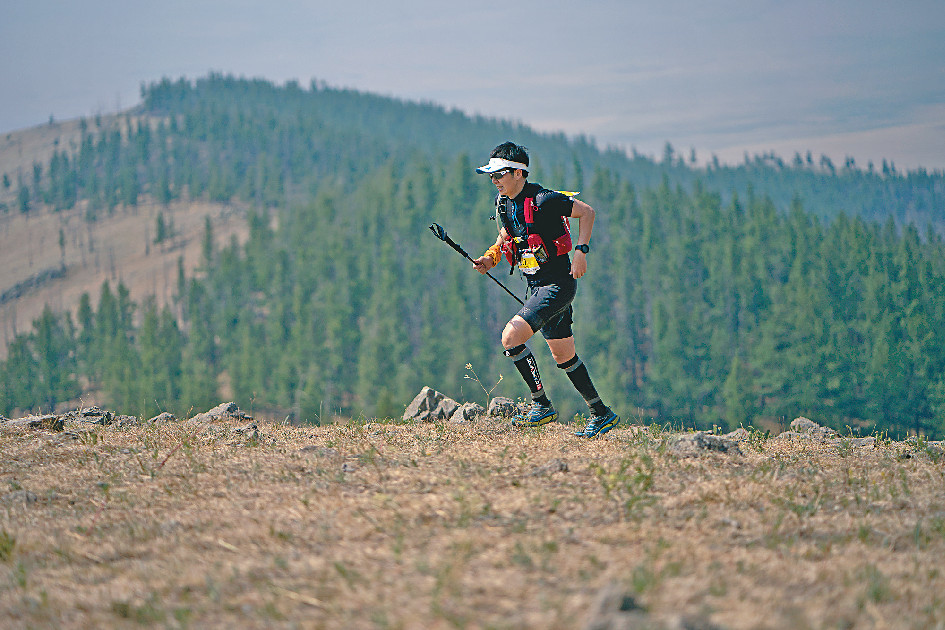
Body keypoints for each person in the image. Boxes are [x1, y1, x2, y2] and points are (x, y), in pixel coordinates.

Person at [472, 142, 620, 437]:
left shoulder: (544, 199)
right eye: (491, 176)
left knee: (510, 337)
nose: (494, 181)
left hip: (558, 285)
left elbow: (587, 212)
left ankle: (541, 406)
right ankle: (601, 413)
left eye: (499, 174)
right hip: (537, 286)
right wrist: (492, 256)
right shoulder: (505, 203)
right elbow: (506, 234)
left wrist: (581, 251)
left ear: (518, 173)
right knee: (565, 357)